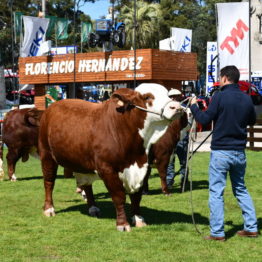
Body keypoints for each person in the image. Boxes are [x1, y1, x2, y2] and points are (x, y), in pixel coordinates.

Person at [190, 65, 258, 241]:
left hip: (221, 151)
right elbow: (250, 120)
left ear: (226, 78)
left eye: (220, 78)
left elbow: (204, 119)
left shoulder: (219, 97)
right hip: (239, 152)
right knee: (241, 189)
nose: (219, 81)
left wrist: (194, 107)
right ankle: (251, 227)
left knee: (216, 192)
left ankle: (218, 232)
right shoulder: (246, 98)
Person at [166, 89, 190, 192]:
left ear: (180, 97)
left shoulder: (185, 110)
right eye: (171, 96)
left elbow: (189, 125)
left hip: (182, 138)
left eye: (175, 96)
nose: (173, 98)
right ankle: (169, 182)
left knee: (183, 161)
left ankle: (184, 182)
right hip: (169, 140)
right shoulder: (165, 110)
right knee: (169, 162)